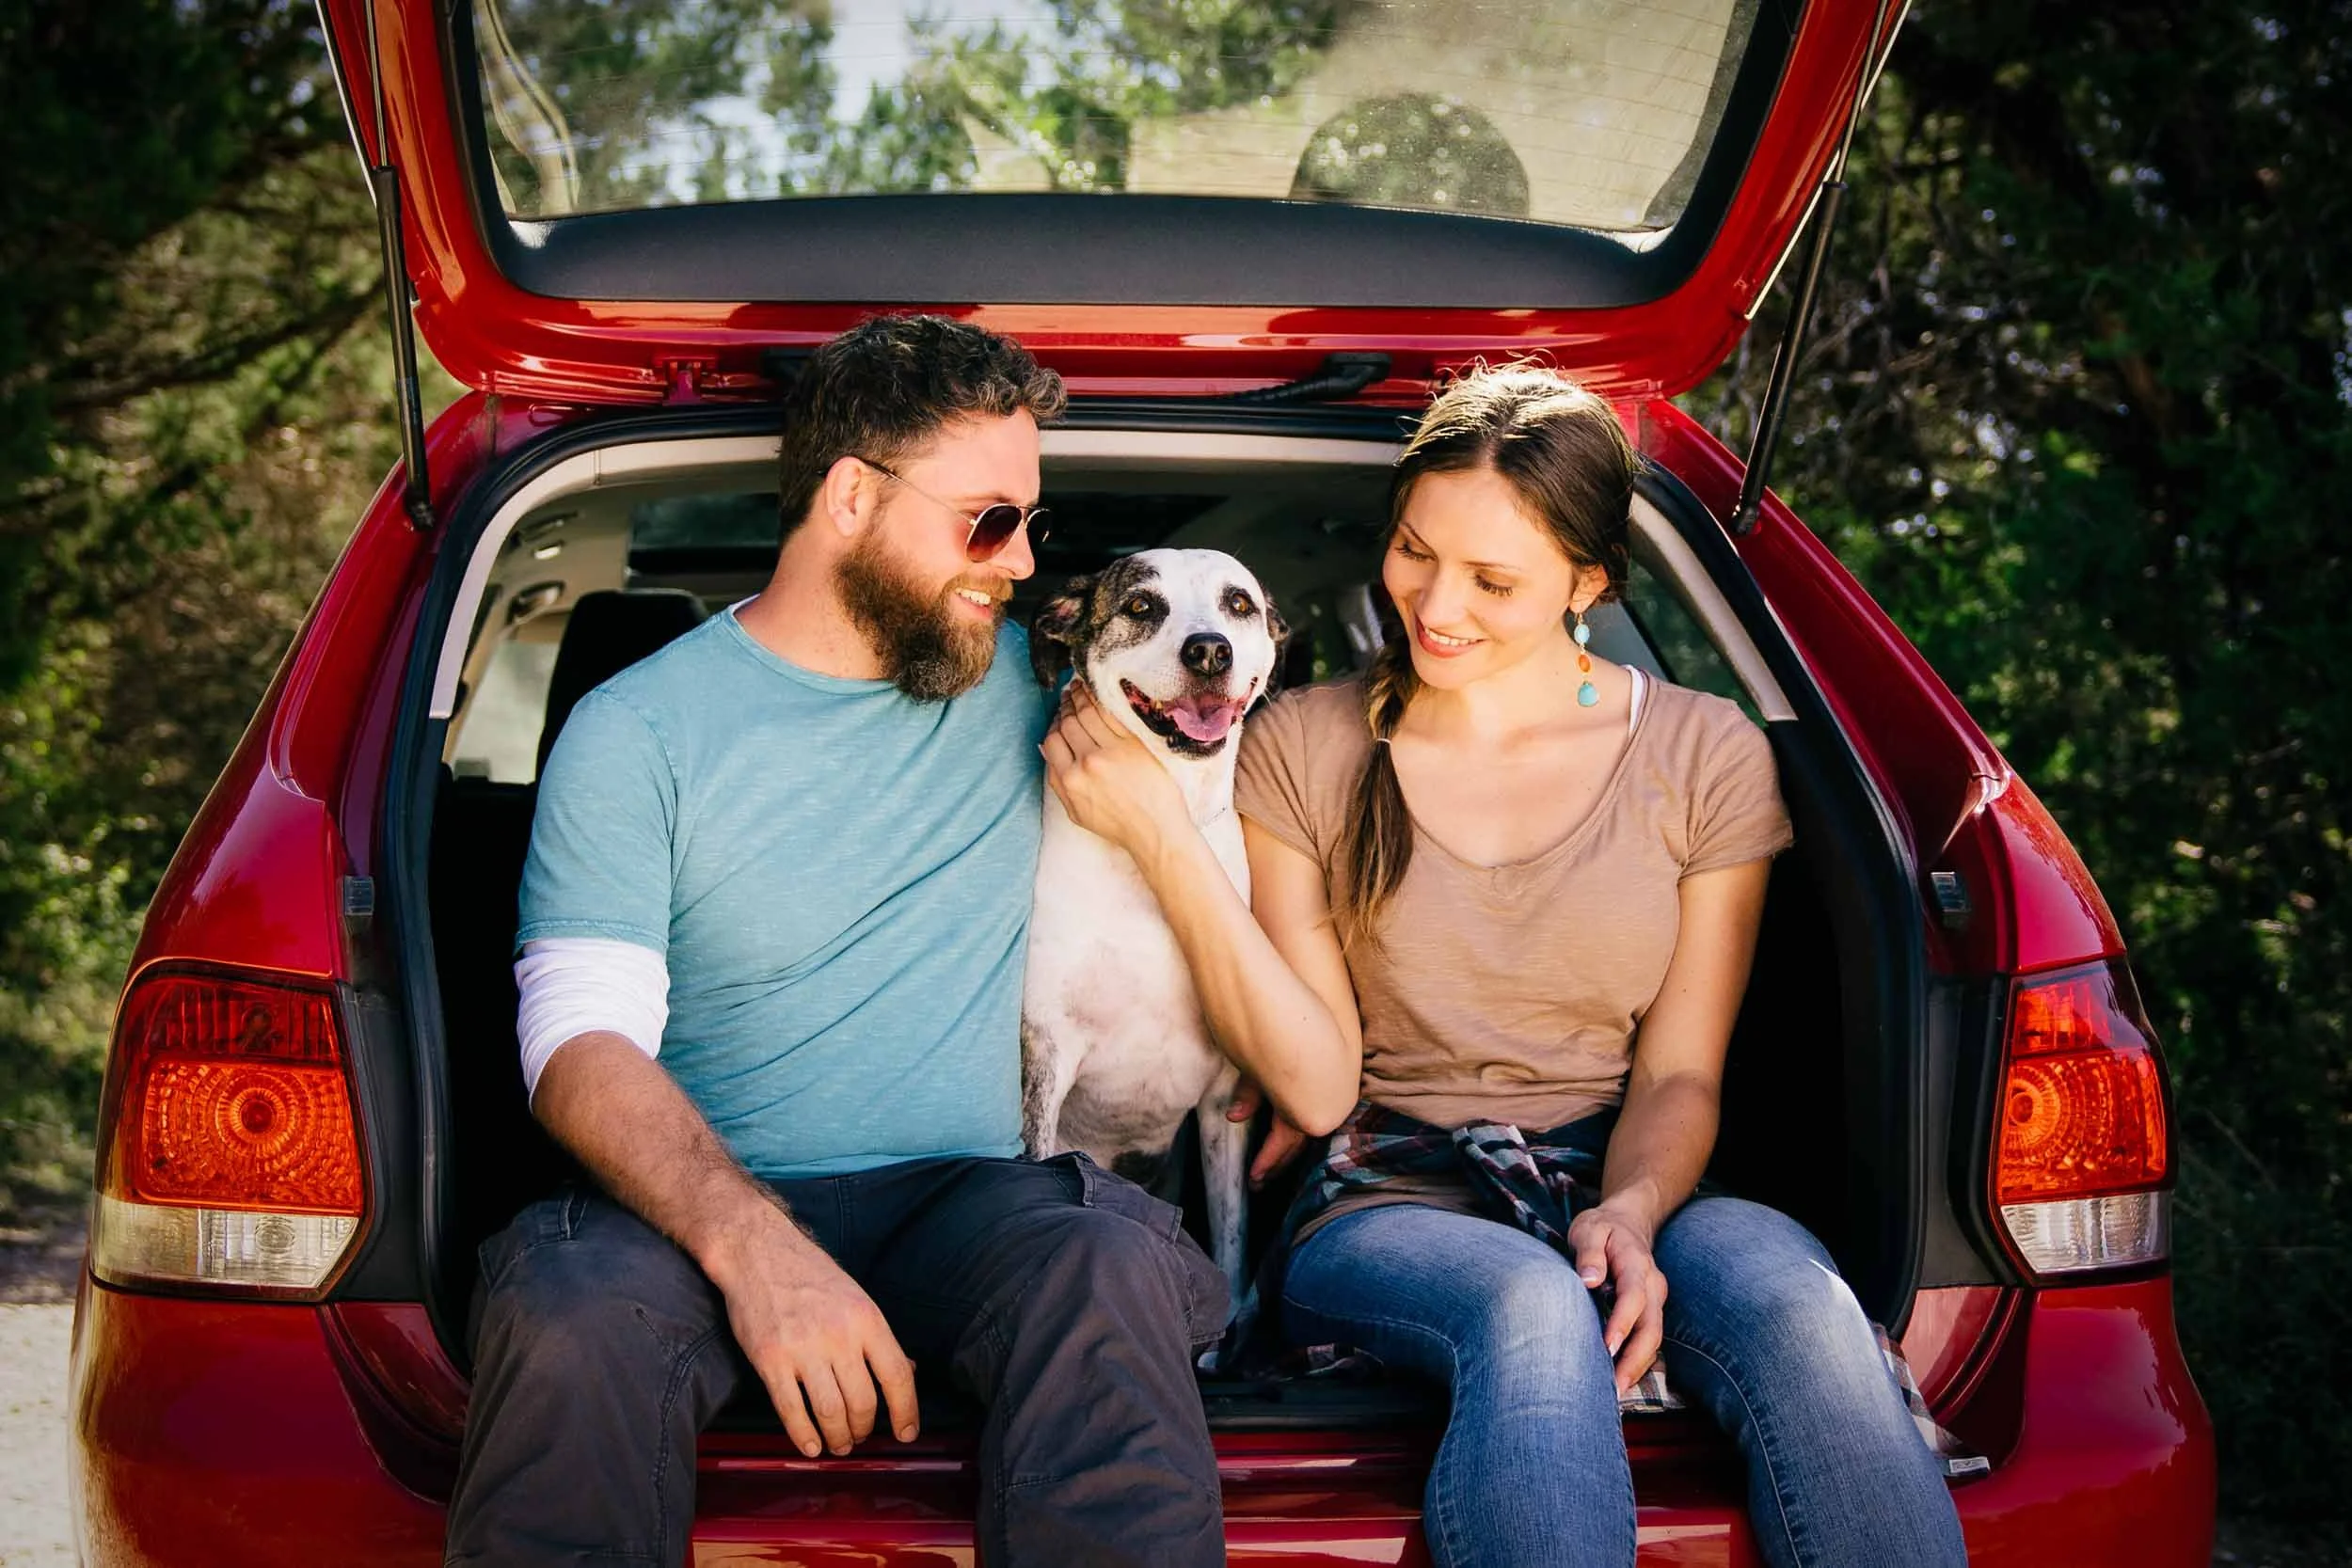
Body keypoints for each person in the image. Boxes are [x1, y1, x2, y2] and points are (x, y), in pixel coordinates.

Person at [1039, 363, 1970, 1568]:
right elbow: (1316, 1083)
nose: (1435, 604)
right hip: (1391, 1194)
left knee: (1803, 1305)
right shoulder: (1301, 742)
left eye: (1492, 579)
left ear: (1587, 581)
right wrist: (1162, 835)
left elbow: (1680, 1075)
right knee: (1528, 1303)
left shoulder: (1704, 753)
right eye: (1414, 551)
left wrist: (1631, 1211)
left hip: (1631, 1169)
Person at [446, 315, 1231, 1568]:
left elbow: (1269, 758)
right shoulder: (636, 730)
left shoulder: (1055, 691)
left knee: (1104, 1260)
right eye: (988, 521)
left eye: (1028, 523)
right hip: (691, 1217)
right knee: (565, 1308)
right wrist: (756, 1248)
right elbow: (578, 1042)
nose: (1023, 561)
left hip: (967, 1208)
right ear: (853, 497)